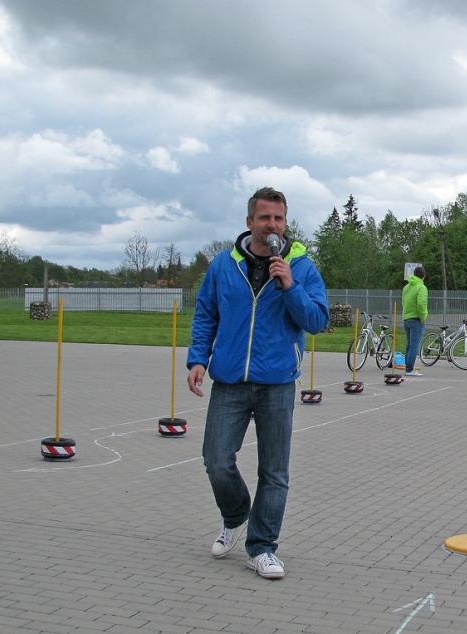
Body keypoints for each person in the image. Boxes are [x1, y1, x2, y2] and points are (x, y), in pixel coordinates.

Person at [187, 187, 329, 580]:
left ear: (286, 223)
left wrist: (289, 286)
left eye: (279, 219)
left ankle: (262, 547)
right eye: (265, 218)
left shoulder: (300, 267)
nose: (272, 226)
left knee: (275, 472)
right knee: (215, 459)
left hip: (277, 382)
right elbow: (205, 314)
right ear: (250, 222)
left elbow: (317, 321)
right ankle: (235, 516)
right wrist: (198, 358)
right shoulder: (222, 265)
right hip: (230, 380)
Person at [402, 266, 428, 377]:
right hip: (416, 319)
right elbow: (421, 304)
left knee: (409, 344)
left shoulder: (407, 287)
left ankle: (407, 366)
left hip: (406, 317)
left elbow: (404, 301)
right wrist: (423, 318)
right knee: (414, 345)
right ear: (423, 276)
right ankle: (409, 369)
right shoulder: (421, 288)